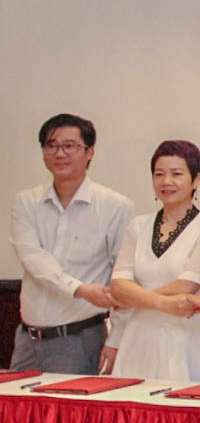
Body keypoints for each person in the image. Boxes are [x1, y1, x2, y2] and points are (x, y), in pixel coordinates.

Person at [9, 113, 133, 374]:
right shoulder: (26, 202)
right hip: (26, 339)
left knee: (71, 415)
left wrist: (116, 338)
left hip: (79, 340)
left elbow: (123, 277)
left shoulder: (115, 207)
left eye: (69, 146)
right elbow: (33, 260)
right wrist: (80, 289)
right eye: (51, 145)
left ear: (89, 152)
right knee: (14, 413)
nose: (59, 153)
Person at [106, 141, 200, 381]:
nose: (166, 182)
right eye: (159, 174)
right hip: (139, 336)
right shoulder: (138, 225)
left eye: (176, 174)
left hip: (188, 337)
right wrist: (161, 303)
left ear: (196, 179)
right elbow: (118, 285)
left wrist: (134, 300)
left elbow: (186, 286)